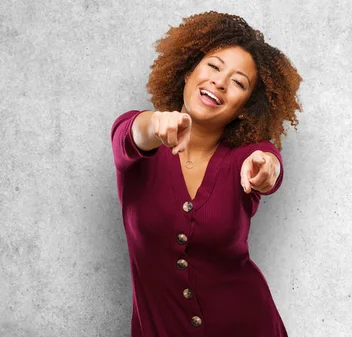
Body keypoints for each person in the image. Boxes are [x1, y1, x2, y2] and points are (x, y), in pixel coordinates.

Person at [110, 11, 301, 337]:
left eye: (239, 82)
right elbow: (131, 134)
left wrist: (268, 168)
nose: (220, 82)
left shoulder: (246, 157)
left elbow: (268, 164)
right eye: (213, 66)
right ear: (187, 73)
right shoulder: (140, 144)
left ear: (243, 108)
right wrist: (154, 123)